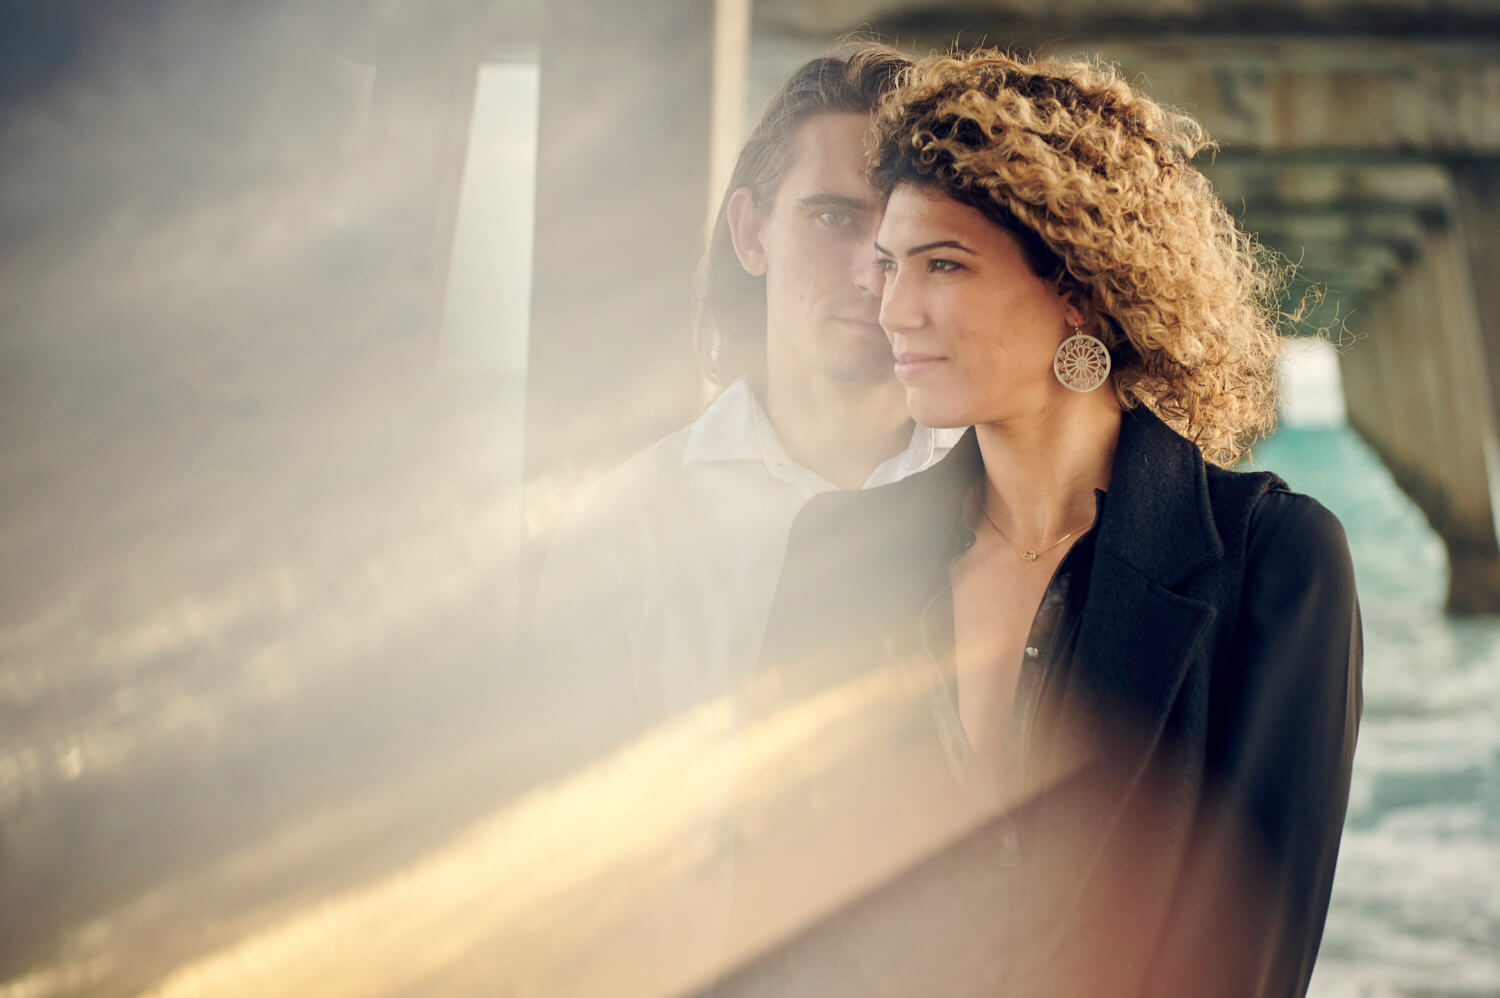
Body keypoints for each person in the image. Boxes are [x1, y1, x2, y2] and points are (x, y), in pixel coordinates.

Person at [722, 49, 1362, 997]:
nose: (891, 307)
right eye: (890, 265)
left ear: (1083, 287)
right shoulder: (834, 554)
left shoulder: (1274, 566)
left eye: (943, 265)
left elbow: (1252, 964)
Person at [523, 43, 962, 996]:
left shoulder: (1012, 513)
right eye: (834, 217)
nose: (870, 272)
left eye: (902, 230)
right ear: (749, 232)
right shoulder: (624, 530)